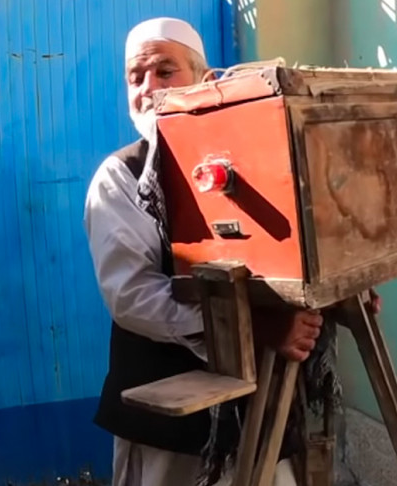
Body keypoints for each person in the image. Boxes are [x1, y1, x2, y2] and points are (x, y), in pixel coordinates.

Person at [82, 17, 328, 486]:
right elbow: (133, 297)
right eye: (136, 77)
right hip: (166, 422)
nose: (148, 88)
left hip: (264, 408)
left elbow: (297, 256)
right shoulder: (119, 178)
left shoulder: (256, 167)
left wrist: (337, 297)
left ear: (205, 80)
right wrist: (253, 329)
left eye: (164, 71)